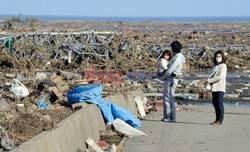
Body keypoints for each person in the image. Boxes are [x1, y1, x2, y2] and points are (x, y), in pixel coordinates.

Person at [161, 41, 185, 122]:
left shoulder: (177, 59)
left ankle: (169, 117)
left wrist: (163, 77)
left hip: (171, 79)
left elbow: (169, 71)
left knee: (168, 98)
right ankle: (169, 116)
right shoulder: (179, 57)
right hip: (172, 79)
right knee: (169, 98)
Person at [207, 51, 227, 125]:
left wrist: (210, 80)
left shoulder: (223, 66)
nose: (218, 58)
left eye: (219, 56)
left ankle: (220, 120)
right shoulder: (215, 66)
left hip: (220, 86)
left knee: (219, 103)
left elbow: (220, 76)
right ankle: (216, 119)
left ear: (222, 57)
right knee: (215, 103)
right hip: (214, 87)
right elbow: (213, 75)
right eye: (217, 56)